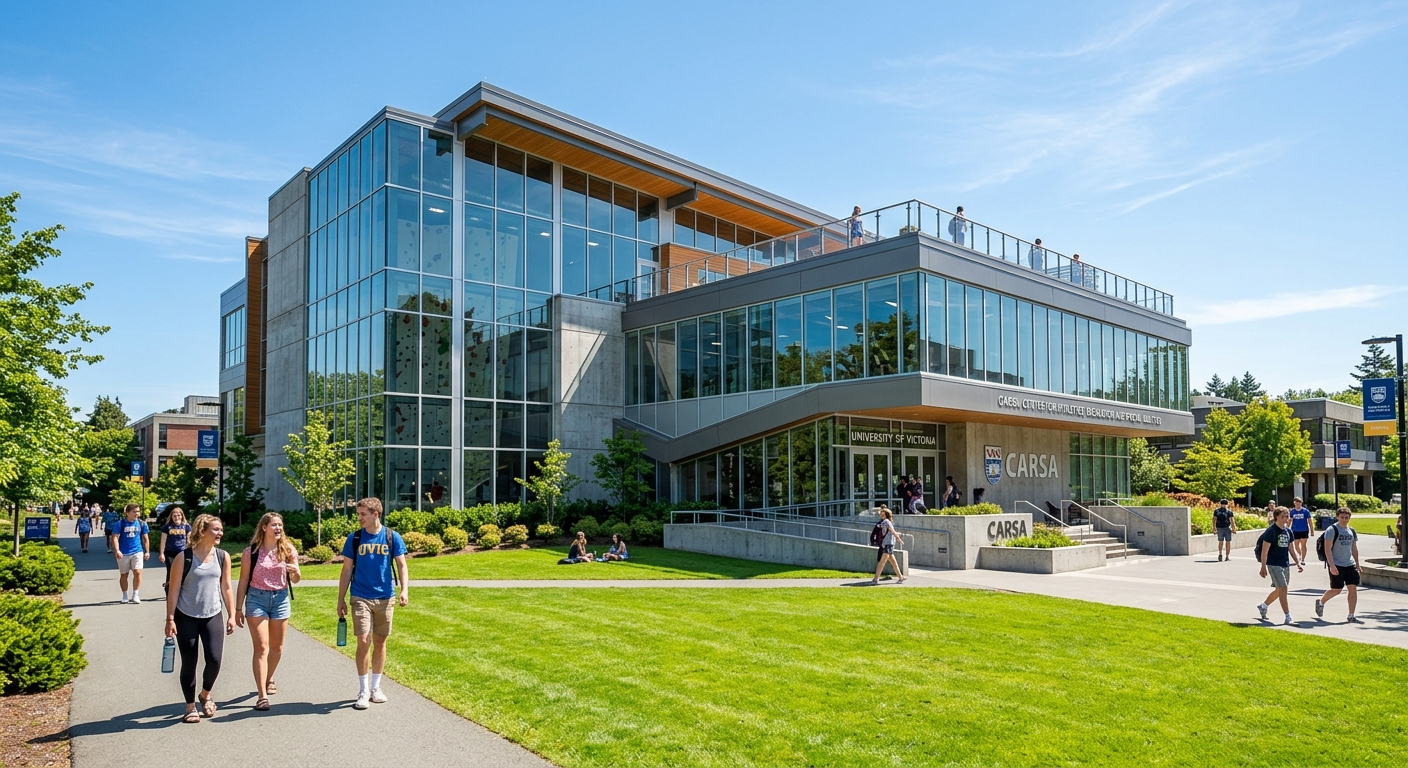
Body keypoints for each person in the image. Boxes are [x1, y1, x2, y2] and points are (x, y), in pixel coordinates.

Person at [337, 498, 409, 710]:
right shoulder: (355, 538)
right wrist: (341, 598)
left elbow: (402, 565)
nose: (359, 518)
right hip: (360, 596)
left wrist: (404, 590)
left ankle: (376, 687)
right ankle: (363, 690)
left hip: (386, 597)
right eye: (358, 514)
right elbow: (346, 570)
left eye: (363, 514)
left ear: (375, 514)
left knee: (380, 641)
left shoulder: (391, 536)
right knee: (363, 639)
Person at [165, 514, 235, 723]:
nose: (220, 533)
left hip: (212, 614)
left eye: (221, 529)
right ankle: (189, 707)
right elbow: (174, 589)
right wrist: (170, 618)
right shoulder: (184, 557)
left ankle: (205, 694)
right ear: (202, 531)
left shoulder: (223, 556)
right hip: (186, 615)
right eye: (215, 529)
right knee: (189, 662)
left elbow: (227, 586)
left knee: (214, 659)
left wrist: (231, 614)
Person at [235, 512, 302, 711]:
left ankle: (269, 676)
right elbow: (243, 581)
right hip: (257, 599)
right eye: (274, 524)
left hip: (280, 599)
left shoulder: (288, 550)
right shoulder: (251, 552)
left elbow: (296, 580)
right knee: (262, 647)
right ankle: (262, 696)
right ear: (264, 527)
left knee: (277, 648)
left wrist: (296, 572)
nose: (278, 528)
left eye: (280, 525)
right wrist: (238, 608)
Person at [1256, 507, 1302, 625]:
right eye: (1283, 516)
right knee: (1283, 588)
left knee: (1279, 589)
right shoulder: (1271, 531)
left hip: (1285, 563)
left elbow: (1291, 548)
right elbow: (1264, 551)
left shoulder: (1288, 531)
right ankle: (1287, 616)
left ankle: (1263, 605)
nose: (1285, 518)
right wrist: (1263, 566)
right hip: (1273, 563)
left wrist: (1298, 562)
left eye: (1287, 516)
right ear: (1276, 517)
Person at [1315, 507, 1362, 623]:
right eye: (1342, 517)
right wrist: (1332, 565)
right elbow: (1327, 549)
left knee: (1353, 587)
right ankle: (1321, 602)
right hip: (1336, 564)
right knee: (1337, 589)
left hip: (1350, 564)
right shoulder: (1332, 530)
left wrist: (1357, 563)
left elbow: (1354, 548)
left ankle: (1351, 615)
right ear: (1337, 517)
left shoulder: (1351, 531)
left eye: (1347, 518)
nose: (1344, 520)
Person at [110, 503, 149, 603]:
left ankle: (135, 594)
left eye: (138, 511)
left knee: (138, 572)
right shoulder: (120, 524)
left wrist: (147, 551)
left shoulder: (142, 523)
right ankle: (125, 595)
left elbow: (145, 538)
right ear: (127, 513)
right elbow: (115, 537)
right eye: (134, 511)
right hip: (123, 553)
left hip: (137, 551)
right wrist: (117, 550)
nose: (137, 513)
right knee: (124, 575)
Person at [159, 507, 192, 593]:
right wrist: (162, 553)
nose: (176, 517)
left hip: (182, 553)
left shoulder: (186, 526)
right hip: (170, 553)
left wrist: (190, 551)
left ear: (182, 516)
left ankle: (181, 589)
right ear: (171, 517)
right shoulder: (167, 527)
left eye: (178, 515)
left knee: (183, 572)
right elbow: (163, 541)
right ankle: (168, 589)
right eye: (174, 516)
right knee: (171, 571)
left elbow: (189, 540)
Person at [871, 509, 905, 585]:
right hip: (888, 544)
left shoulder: (886, 522)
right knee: (888, 562)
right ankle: (900, 577)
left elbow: (892, 531)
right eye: (881, 515)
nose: (881, 516)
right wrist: (898, 539)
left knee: (886, 562)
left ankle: (876, 579)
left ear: (886, 515)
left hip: (888, 544)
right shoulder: (885, 522)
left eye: (883, 515)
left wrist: (898, 539)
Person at [1287, 497, 1312, 564]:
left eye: (1299, 502)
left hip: (1304, 530)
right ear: (1294, 503)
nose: (1297, 504)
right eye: (1296, 503)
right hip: (1295, 530)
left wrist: (1312, 530)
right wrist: (1287, 528)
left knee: (1303, 545)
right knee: (1296, 545)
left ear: (1301, 503)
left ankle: (1303, 559)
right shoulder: (1292, 511)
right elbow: (1289, 520)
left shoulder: (1305, 511)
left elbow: (1309, 520)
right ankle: (1300, 554)